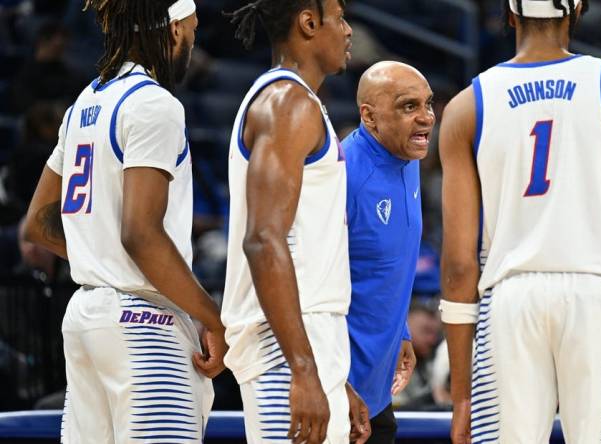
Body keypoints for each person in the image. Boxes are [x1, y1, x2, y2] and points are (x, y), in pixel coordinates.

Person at [439, 0, 601, 442]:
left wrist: (461, 396)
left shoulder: (464, 107)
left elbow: (457, 265)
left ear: (508, 15)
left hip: (509, 299)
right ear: (577, 11)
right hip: (598, 296)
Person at [21, 1, 228, 442]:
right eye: (192, 30)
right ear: (173, 31)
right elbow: (141, 234)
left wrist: (99, 253)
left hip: (85, 320)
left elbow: (37, 224)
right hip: (144, 326)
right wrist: (214, 318)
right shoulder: (155, 104)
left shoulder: (84, 103)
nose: (193, 41)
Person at [220, 1, 369, 443]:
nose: (347, 31)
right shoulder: (288, 103)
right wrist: (302, 369)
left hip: (306, 339)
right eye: (339, 18)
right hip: (284, 346)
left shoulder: (296, 102)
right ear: (308, 22)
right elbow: (264, 240)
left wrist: (332, 379)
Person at [342, 60, 434, 443]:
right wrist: (332, 383)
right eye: (408, 107)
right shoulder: (343, 174)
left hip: (377, 390)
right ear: (370, 116)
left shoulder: (408, 158)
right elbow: (303, 287)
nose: (426, 118)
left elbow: (385, 265)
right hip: (340, 396)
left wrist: (402, 331)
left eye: (428, 104)